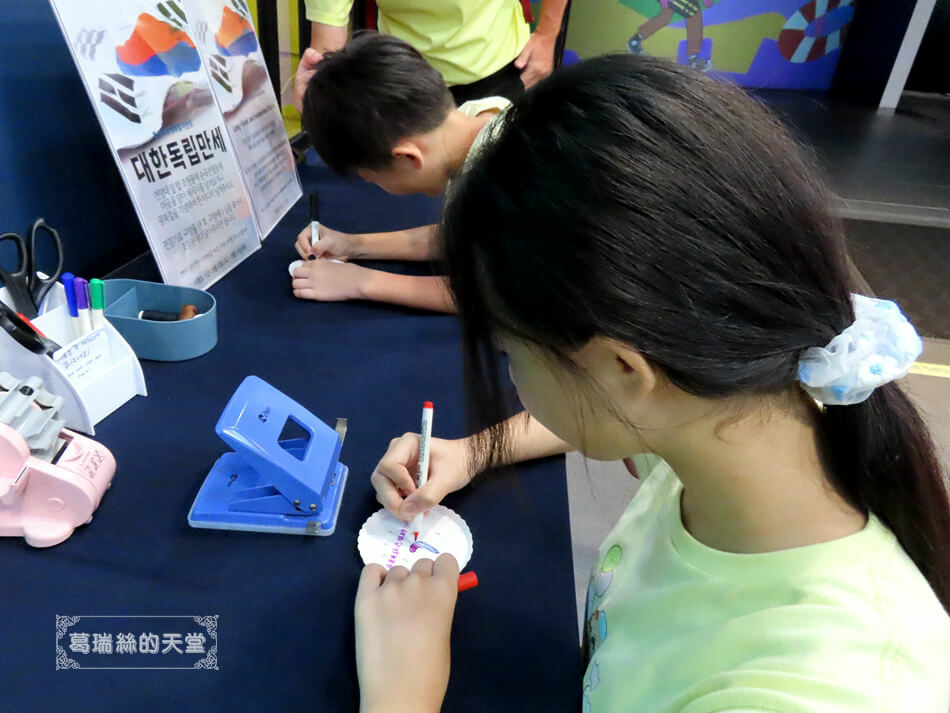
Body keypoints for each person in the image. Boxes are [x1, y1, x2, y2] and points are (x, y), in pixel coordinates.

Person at [355, 55, 950, 712]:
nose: (512, 375)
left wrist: (400, 699)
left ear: (624, 368)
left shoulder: (819, 689)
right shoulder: (733, 417)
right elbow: (612, 410)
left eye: (509, 348)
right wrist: (475, 450)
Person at [292, 33, 510, 313]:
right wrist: (352, 245)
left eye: (370, 177)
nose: (371, 183)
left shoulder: (509, 180)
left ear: (407, 157)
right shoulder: (476, 117)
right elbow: (467, 234)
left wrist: (362, 282)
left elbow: (494, 295)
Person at [294, 0, 569, 113]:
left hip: (499, 66)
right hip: (406, 83)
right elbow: (326, 47)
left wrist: (547, 37)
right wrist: (321, 99)